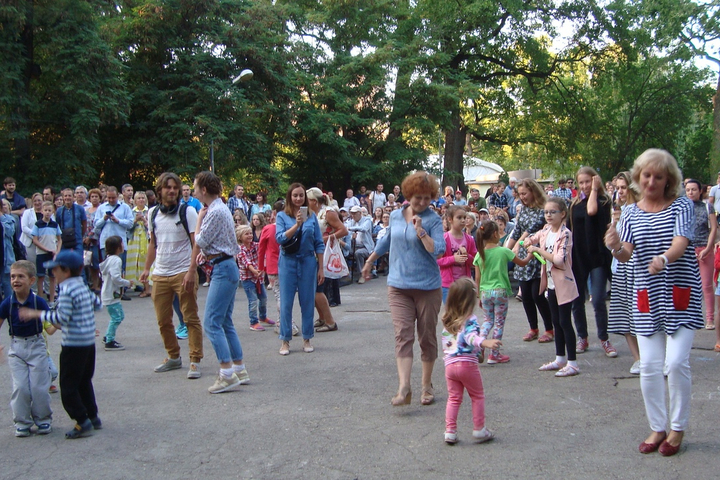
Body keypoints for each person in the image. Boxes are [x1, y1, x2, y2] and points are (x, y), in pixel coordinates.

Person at [604, 148, 703, 456]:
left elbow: (681, 243)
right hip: (646, 295)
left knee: (676, 363)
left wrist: (663, 259)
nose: (651, 181)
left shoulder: (682, 205)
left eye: (658, 177)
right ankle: (658, 426)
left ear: (668, 180)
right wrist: (614, 247)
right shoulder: (631, 213)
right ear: (638, 177)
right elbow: (626, 254)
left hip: (680, 294)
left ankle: (677, 428)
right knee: (648, 365)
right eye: (646, 175)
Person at [361, 171, 445, 406]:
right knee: (402, 334)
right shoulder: (397, 216)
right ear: (409, 195)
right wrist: (370, 261)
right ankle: (404, 387)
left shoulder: (434, 220)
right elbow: (386, 241)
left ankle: (426, 385)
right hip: (398, 285)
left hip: (427, 287)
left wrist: (421, 232)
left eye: (427, 198)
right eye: (418, 197)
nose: (423, 202)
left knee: (427, 337)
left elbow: (438, 250)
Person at [19, 250, 102, 439]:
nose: (53, 273)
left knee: (68, 386)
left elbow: (62, 318)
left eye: (55, 270)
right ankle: (93, 416)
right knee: (84, 381)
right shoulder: (82, 286)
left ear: (66, 270)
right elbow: (97, 304)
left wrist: (36, 314)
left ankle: (82, 420)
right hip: (88, 343)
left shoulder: (67, 290)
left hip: (73, 345)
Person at [140, 172, 203, 380]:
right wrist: (147, 269)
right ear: (160, 190)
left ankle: (195, 359)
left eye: (175, 187)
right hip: (160, 273)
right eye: (168, 187)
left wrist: (192, 271)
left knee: (190, 317)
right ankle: (173, 356)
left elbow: (196, 243)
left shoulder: (188, 212)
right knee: (163, 320)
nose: (172, 191)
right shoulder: (152, 213)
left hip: (183, 271)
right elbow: (153, 243)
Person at [192, 171, 249, 393]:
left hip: (223, 269)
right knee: (225, 321)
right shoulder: (220, 208)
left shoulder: (214, 211)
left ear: (204, 189)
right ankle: (239, 369)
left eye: (195, 188)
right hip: (226, 266)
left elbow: (200, 239)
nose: (194, 191)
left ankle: (226, 374)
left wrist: (199, 220)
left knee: (211, 322)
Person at [525, 198, 580, 377]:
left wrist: (537, 250)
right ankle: (560, 358)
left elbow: (559, 260)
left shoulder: (565, 234)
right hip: (550, 283)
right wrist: (527, 241)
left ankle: (572, 363)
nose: (548, 215)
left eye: (552, 212)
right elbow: (534, 237)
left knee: (565, 322)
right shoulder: (546, 230)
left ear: (562, 214)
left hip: (563, 283)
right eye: (546, 212)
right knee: (556, 321)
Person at [441, 278, 499, 445]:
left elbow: (449, 344)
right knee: (477, 396)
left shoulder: (448, 320)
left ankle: (450, 431)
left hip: (450, 365)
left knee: (454, 398)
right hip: (467, 364)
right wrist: (484, 342)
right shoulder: (470, 319)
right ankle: (479, 428)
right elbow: (470, 337)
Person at [0, 260, 52, 437]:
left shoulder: (38, 302)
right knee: (21, 387)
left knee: (38, 387)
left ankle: (43, 419)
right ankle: (22, 422)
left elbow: (54, 322)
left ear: (31, 280)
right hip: (16, 348)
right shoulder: (7, 304)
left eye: (20, 276)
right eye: (12, 277)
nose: (15, 280)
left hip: (36, 346)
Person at [568, 167, 616, 357]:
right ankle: (582, 337)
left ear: (595, 180)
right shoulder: (574, 204)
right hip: (578, 257)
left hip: (597, 256)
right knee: (577, 300)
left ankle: (604, 338)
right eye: (581, 182)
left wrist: (595, 190)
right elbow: (570, 229)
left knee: (597, 299)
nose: (585, 186)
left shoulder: (603, 201)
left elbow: (591, 210)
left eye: (588, 181)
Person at [275, 183, 325, 355]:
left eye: (301, 195)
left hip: (307, 261)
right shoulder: (282, 216)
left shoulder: (311, 216)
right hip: (288, 261)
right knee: (286, 302)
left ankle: (307, 338)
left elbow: (319, 243)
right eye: (295, 195)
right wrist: (296, 225)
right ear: (290, 197)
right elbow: (280, 238)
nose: (298, 198)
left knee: (307, 301)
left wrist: (321, 268)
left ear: (305, 198)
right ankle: (285, 340)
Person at [473, 219, 530, 365]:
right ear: (495, 234)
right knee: (499, 323)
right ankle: (494, 354)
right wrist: (531, 253)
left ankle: (480, 346)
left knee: (487, 320)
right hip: (500, 292)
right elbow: (522, 262)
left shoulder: (479, 255)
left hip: (485, 292)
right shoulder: (503, 251)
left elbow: (477, 278)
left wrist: (479, 295)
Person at [506, 179, 554, 342]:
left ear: (533, 191)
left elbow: (532, 229)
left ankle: (549, 329)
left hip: (537, 255)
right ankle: (533, 328)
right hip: (523, 256)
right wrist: (506, 250)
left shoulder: (543, 209)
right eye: (520, 194)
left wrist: (517, 245)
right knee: (526, 295)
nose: (522, 197)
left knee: (537, 294)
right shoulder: (523, 210)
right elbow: (517, 230)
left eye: (525, 193)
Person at [607, 172, 641, 374]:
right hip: (620, 267)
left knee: (641, 314)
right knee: (625, 315)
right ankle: (637, 358)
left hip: (638, 268)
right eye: (617, 188)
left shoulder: (640, 210)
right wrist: (613, 225)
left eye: (623, 187)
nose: (620, 191)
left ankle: (652, 357)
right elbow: (611, 243)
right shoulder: (618, 211)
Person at [307, 187, 347, 331]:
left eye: (307, 199)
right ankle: (322, 317)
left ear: (314, 201)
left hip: (323, 253)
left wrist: (327, 238)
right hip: (312, 252)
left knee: (317, 289)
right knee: (313, 289)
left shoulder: (328, 212)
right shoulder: (310, 213)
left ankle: (330, 321)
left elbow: (343, 230)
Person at [259, 201, 299, 336]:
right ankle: (280, 321)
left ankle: (288, 324)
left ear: (274, 213)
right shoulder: (292, 227)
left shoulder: (268, 229)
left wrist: (260, 267)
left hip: (273, 266)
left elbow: (261, 249)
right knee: (285, 295)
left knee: (279, 296)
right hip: (289, 264)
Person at [684, 179, 716, 329]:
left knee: (706, 285)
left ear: (700, 191)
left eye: (694, 189)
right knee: (687, 285)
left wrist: (708, 248)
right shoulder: (682, 208)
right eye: (688, 190)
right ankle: (689, 317)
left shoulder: (707, 206)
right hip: (687, 250)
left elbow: (713, 228)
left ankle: (709, 318)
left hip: (704, 248)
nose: (690, 192)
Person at [236, 225, 274, 332]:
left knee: (263, 298)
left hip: (258, 278)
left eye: (250, 233)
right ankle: (253, 322)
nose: (249, 235)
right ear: (240, 237)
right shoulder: (240, 249)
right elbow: (246, 262)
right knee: (252, 300)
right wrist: (255, 271)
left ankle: (262, 316)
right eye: (246, 234)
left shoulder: (255, 245)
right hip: (248, 279)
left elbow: (263, 251)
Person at [437, 206, 477, 303]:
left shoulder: (469, 239)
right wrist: (453, 259)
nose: (463, 220)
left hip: (465, 283)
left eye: (464, 217)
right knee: (451, 311)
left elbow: (475, 261)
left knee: (464, 310)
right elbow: (437, 261)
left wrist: (467, 256)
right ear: (450, 219)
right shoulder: (444, 238)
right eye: (459, 218)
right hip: (448, 284)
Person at [100, 236, 131, 351]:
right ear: (118, 248)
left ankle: (108, 336)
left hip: (108, 293)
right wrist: (127, 283)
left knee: (117, 316)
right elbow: (116, 278)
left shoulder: (108, 259)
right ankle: (109, 341)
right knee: (117, 317)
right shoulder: (116, 260)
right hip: (111, 294)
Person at [94, 186, 134, 275]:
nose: (111, 200)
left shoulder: (125, 207)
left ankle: (120, 284)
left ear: (118, 196)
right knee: (106, 269)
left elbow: (130, 224)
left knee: (120, 269)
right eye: (109, 198)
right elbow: (96, 225)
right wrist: (104, 219)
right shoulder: (101, 208)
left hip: (120, 243)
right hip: (105, 243)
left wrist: (118, 221)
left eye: (113, 197)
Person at [31, 202, 62, 303]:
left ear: (53, 211)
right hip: (41, 253)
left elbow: (59, 239)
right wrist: (46, 249)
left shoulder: (55, 225)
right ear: (42, 211)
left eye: (49, 210)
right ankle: (40, 299)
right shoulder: (38, 224)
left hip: (52, 254)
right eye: (45, 210)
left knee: (52, 277)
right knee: (40, 276)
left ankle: (52, 300)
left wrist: (57, 251)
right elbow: (35, 240)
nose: (47, 212)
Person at [127, 191, 150, 297]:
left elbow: (152, 227)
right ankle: (137, 285)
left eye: (143, 198)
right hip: (134, 239)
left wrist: (144, 220)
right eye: (139, 198)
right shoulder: (131, 212)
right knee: (135, 263)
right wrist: (135, 220)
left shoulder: (149, 211)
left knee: (145, 262)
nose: (141, 200)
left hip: (145, 239)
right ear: (135, 201)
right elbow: (128, 227)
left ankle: (147, 288)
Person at [347, 205, 374, 284]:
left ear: (359, 213)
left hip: (365, 247)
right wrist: (351, 236)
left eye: (354, 213)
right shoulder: (351, 222)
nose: (353, 215)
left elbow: (364, 229)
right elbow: (347, 233)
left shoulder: (367, 220)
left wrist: (351, 229)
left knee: (358, 253)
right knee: (345, 252)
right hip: (353, 245)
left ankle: (362, 275)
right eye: (352, 213)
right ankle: (346, 274)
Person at [20, 193, 44, 279]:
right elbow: (24, 227)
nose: (37, 203)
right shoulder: (27, 212)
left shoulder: (47, 212)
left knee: (44, 266)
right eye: (35, 201)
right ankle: (33, 286)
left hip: (44, 242)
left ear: (43, 201)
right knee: (32, 266)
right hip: (30, 243)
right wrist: (35, 236)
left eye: (39, 200)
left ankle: (45, 286)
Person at [56, 188, 87, 253]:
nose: (67, 197)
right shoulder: (59, 211)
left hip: (77, 240)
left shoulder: (80, 209)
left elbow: (84, 224)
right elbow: (57, 225)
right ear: (63, 197)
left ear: (73, 197)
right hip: (63, 240)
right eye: (65, 196)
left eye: (69, 196)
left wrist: (80, 235)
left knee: (78, 258)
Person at [84, 189, 102, 292]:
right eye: (92, 197)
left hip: (96, 240)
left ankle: (98, 284)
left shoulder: (101, 209)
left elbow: (98, 226)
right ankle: (93, 284)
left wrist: (91, 237)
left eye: (96, 196)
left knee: (97, 263)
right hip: (87, 241)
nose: (94, 198)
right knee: (89, 263)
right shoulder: (86, 211)